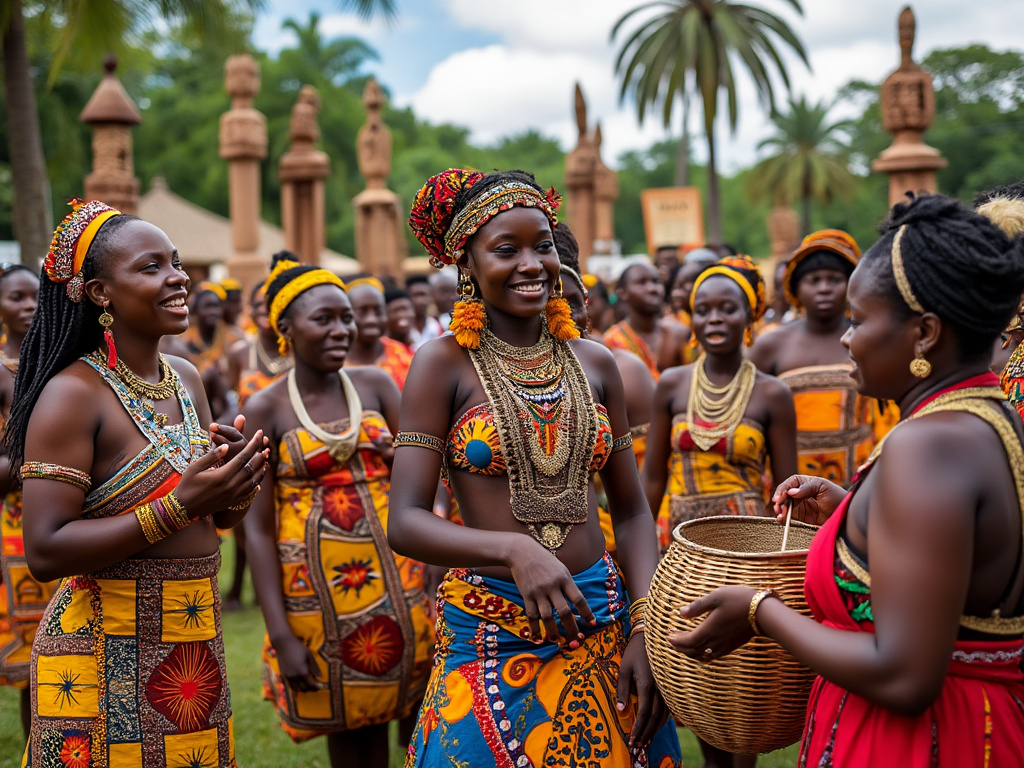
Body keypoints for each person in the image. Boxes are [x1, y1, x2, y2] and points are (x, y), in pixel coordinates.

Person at [670, 194, 1024, 767]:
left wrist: (761, 610)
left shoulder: (928, 445)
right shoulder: (986, 416)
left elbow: (905, 675)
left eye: (859, 320)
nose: (845, 338)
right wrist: (852, 508)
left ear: (925, 333)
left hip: (917, 744)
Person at [392, 168, 682, 767]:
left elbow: (630, 512)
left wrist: (645, 626)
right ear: (465, 262)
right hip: (490, 630)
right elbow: (406, 520)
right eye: (507, 250)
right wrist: (512, 551)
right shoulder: (440, 365)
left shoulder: (598, 364)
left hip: (604, 616)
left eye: (543, 246)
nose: (532, 264)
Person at [8, 199, 267, 767]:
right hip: (104, 653)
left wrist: (238, 482)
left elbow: (213, 520)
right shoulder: (72, 396)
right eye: (151, 267)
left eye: (175, 262)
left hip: (192, 649)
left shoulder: (186, 379)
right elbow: (46, 550)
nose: (178, 278)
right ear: (100, 293)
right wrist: (177, 506)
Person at [242, 259, 431, 767]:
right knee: (350, 729)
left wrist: (434, 576)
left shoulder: (376, 386)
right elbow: (256, 530)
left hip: (402, 583)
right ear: (285, 329)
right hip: (317, 599)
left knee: (423, 722)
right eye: (323, 319)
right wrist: (281, 634)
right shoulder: (265, 408)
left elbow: (424, 485)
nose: (341, 329)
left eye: (345, 317)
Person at [643, 257, 797, 768]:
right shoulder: (671, 384)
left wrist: (782, 564)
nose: (713, 319)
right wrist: (637, 550)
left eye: (726, 309)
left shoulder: (773, 392)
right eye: (701, 310)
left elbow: (790, 493)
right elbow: (653, 479)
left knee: (742, 687)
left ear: (748, 316)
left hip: (745, 555)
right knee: (696, 679)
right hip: (682, 547)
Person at [555, 222, 656, 561]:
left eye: (573, 302)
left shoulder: (622, 370)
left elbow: (641, 488)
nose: (564, 316)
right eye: (550, 302)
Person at [749, 230, 873, 488]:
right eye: (813, 280)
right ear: (795, 287)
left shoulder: (869, 337)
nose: (824, 288)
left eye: (835, 279)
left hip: (860, 483)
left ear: (851, 285)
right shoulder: (770, 344)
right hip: (789, 485)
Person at [0, 263, 47, 735]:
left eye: (35, 296)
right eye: (16, 297)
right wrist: (45, 463)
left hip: (68, 519)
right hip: (14, 530)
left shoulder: (61, 365)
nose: (29, 305)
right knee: (32, 661)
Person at [605, 262, 689, 380]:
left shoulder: (679, 332)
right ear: (622, 293)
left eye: (656, 281)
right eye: (641, 282)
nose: (652, 289)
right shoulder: (612, 341)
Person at [345, 277, 414, 391]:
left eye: (378, 311)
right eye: (363, 311)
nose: (371, 319)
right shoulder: (334, 361)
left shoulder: (404, 358)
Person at [405, 274, 443, 350]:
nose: (420, 301)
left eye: (423, 295)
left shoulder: (438, 327)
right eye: (415, 295)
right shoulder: (401, 329)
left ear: (431, 297)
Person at [384, 287, 416, 351]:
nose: (402, 315)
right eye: (396, 310)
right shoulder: (381, 350)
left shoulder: (420, 344)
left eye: (405, 309)